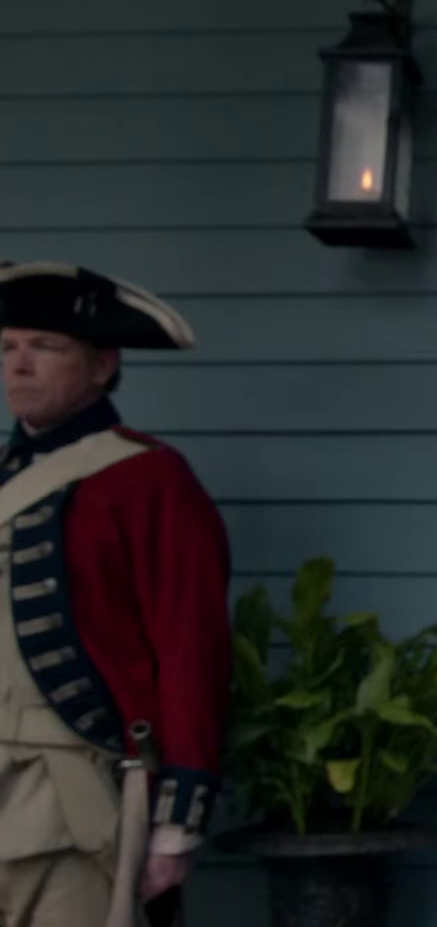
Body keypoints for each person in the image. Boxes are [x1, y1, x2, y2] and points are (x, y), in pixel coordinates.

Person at [0, 261, 232, 927]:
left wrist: (177, 823)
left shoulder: (148, 479)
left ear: (103, 366)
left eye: (45, 347)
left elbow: (191, 648)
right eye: (8, 347)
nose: (18, 366)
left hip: (73, 795)